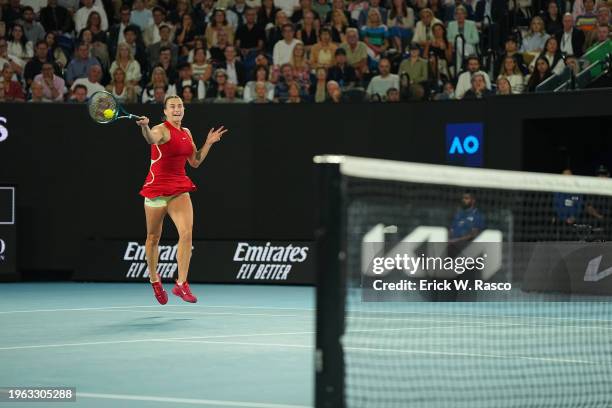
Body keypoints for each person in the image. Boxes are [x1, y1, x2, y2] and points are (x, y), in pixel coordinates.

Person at [136, 96, 228, 304]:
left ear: (183, 110)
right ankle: (154, 280)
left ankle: (181, 284)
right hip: (157, 189)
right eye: (172, 106)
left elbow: (194, 162)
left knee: (186, 233)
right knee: (152, 238)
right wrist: (145, 126)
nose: (177, 109)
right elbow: (150, 139)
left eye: (179, 106)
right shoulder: (160, 129)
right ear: (166, 111)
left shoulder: (186, 133)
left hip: (179, 188)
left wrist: (208, 143)